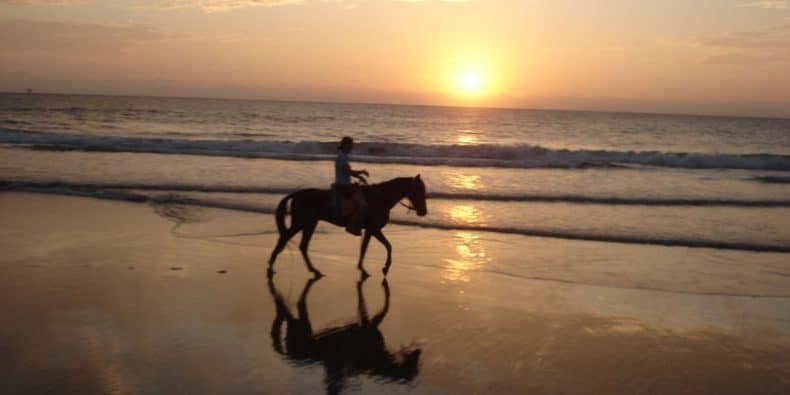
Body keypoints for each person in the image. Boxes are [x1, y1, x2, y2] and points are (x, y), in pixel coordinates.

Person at [334, 136, 369, 235]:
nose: (352, 148)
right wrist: (360, 177)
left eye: (352, 146)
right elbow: (348, 171)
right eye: (351, 146)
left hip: (345, 184)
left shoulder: (343, 156)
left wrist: (360, 172)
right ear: (345, 145)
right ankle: (351, 226)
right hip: (343, 186)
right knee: (362, 205)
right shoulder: (342, 157)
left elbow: (348, 172)